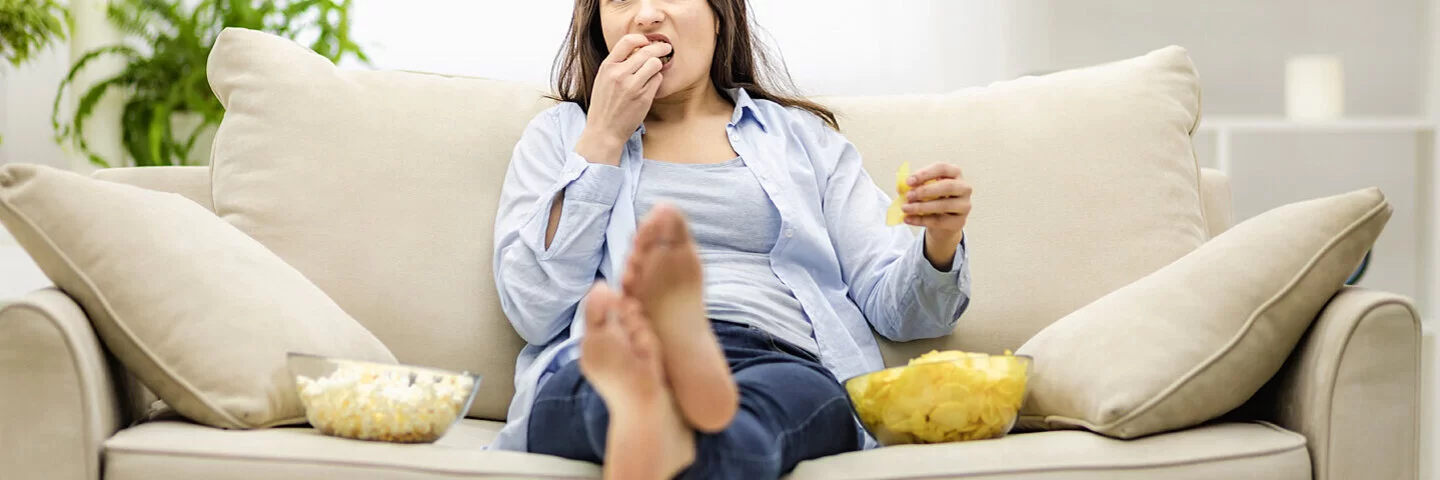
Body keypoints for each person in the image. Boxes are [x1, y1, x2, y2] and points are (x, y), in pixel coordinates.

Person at [489, 0, 973, 478]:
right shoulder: (560, 136)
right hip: (621, 351)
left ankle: (658, 410)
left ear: (721, 16)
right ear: (597, 25)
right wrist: (603, 136)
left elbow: (904, 313)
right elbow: (536, 309)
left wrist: (940, 242)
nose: (647, 14)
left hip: (777, 354)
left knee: (794, 396)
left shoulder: (801, 138)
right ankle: (657, 399)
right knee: (595, 393)